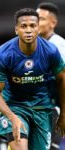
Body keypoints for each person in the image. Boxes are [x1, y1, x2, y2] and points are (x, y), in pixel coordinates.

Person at [0, 8, 65, 150]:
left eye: (32, 26)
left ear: (38, 29)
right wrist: (12, 117)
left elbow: (62, 80)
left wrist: (63, 114)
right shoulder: (4, 53)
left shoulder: (51, 51)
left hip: (42, 108)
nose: (28, 30)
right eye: (24, 26)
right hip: (15, 107)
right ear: (16, 30)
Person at [36, 2, 65, 149]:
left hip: (54, 110)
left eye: (41, 19)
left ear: (53, 23)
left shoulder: (59, 46)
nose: (36, 22)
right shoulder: (36, 45)